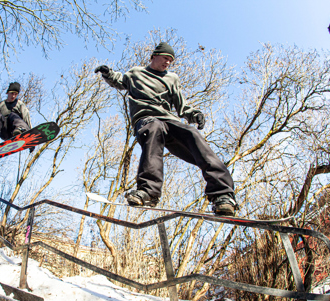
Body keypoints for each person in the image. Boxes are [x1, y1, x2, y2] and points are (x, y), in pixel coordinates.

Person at [94, 42, 237, 216]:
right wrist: (107, 73)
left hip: (169, 120)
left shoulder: (172, 78)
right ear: (154, 57)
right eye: (165, 58)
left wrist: (194, 115)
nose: (168, 63)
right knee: (153, 129)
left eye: (171, 60)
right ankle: (148, 192)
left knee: (193, 134)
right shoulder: (136, 73)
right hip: (146, 119)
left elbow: (181, 105)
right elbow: (120, 80)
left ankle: (223, 195)